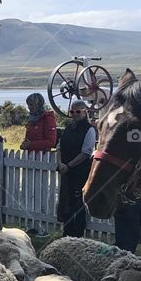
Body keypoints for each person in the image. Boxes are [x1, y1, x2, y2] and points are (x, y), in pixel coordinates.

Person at [56, 101, 96, 237]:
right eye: (72, 112)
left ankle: (77, 236)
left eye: (78, 112)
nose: (75, 115)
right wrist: (60, 164)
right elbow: (59, 147)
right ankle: (66, 234)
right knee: (65, 205)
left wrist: (68, 166)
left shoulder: (89, 130)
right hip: (66, 173)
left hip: (80, 173)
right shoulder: (68, 128)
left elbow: (86, 152)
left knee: (78, 206)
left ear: (85, 112)